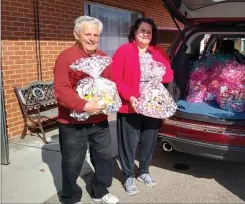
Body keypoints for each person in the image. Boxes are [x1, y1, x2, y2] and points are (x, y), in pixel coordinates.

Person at [54, 16, 119, 204]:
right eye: (87, 34)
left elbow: (111, 84)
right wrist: (83, 105)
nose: (92, 38)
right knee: (72, 162)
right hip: (72, 123)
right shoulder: (66, 57)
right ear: (76, 34)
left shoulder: (104, 58)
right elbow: (61, 89)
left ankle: (100, 191)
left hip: (99, 119)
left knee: (104, 158)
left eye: (96, 35)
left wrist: (113, 99)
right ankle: (71, 197)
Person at [112, 17, 174, 196]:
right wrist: (129, 96)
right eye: (142, 31)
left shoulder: (158, 52)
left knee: (148, 140)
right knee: (128, 142)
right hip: (130, 104)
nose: (146, 34)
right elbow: (117, 78)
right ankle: (128, 175)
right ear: (135, 32)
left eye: (149, 31)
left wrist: (161, 75)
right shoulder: (124, 51)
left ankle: (144, 171)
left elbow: (169, 74)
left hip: (153, 105)